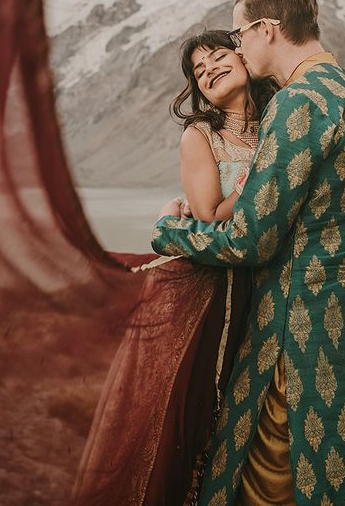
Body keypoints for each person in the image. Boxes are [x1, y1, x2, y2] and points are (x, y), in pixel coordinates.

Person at [152, 0, 345, 505]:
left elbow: (248, 242)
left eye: (238, 36)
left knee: (275, 480)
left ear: (266, 29)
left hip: (300, 325)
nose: (236, 48)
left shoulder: (296, 102)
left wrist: (172, 233)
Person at [73, 30, 277, 506]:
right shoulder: (200, 135)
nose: (210, 71)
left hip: (280, 281)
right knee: (209, 408)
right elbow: (207, 215)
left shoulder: (282, 119)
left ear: (244, 56)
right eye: (199, 72)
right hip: (219, 288)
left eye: (218, 57)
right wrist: (263, 176)